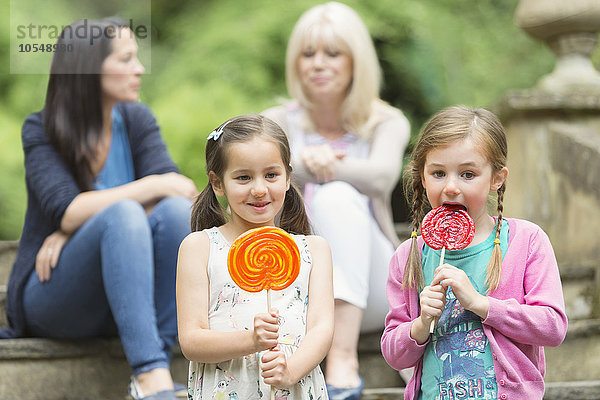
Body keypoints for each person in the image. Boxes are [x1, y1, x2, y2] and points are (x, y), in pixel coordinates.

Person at [1, 18, 198, 400]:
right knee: (123, 214)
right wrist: (143, 191)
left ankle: (157, 355)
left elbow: (182, 192)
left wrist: (79, 225)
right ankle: (149, 373)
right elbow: (67, 208)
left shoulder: (137, 119)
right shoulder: (41, 129)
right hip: (56, 294)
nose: (139, 69)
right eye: (126, 59)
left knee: (174, 213)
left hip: (125, 296)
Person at [262, 2, 411, 396]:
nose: (318, 64)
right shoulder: (275, 121)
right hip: (294, 285)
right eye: (308, 54)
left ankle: (341, 355)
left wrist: (311, 166)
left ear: (355, 61)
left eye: (332, 53)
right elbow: (250, 172)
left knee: (338, 196)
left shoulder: (386, 122)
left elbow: (381, 177)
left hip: (373, 291)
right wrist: (303, 161)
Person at [380, 105, 568, 400]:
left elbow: (553, 326)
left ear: (496, 178)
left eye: (468, 174)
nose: (451, 187)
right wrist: (421, 323)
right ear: (422, 177)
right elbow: (393, 353)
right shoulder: (409, 256)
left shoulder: (526, 241)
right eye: (438, 173)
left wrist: (482, 304)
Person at [176, 114, 334, 399]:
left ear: (287, 177)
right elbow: (191, 340)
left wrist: (291, 370)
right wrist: (251, 340)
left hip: (293, 385)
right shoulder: (199, 247)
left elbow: (321, 328)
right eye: (243, 177)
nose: (259, 189)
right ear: (217, 183)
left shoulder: (314, 249)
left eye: (271, 175)